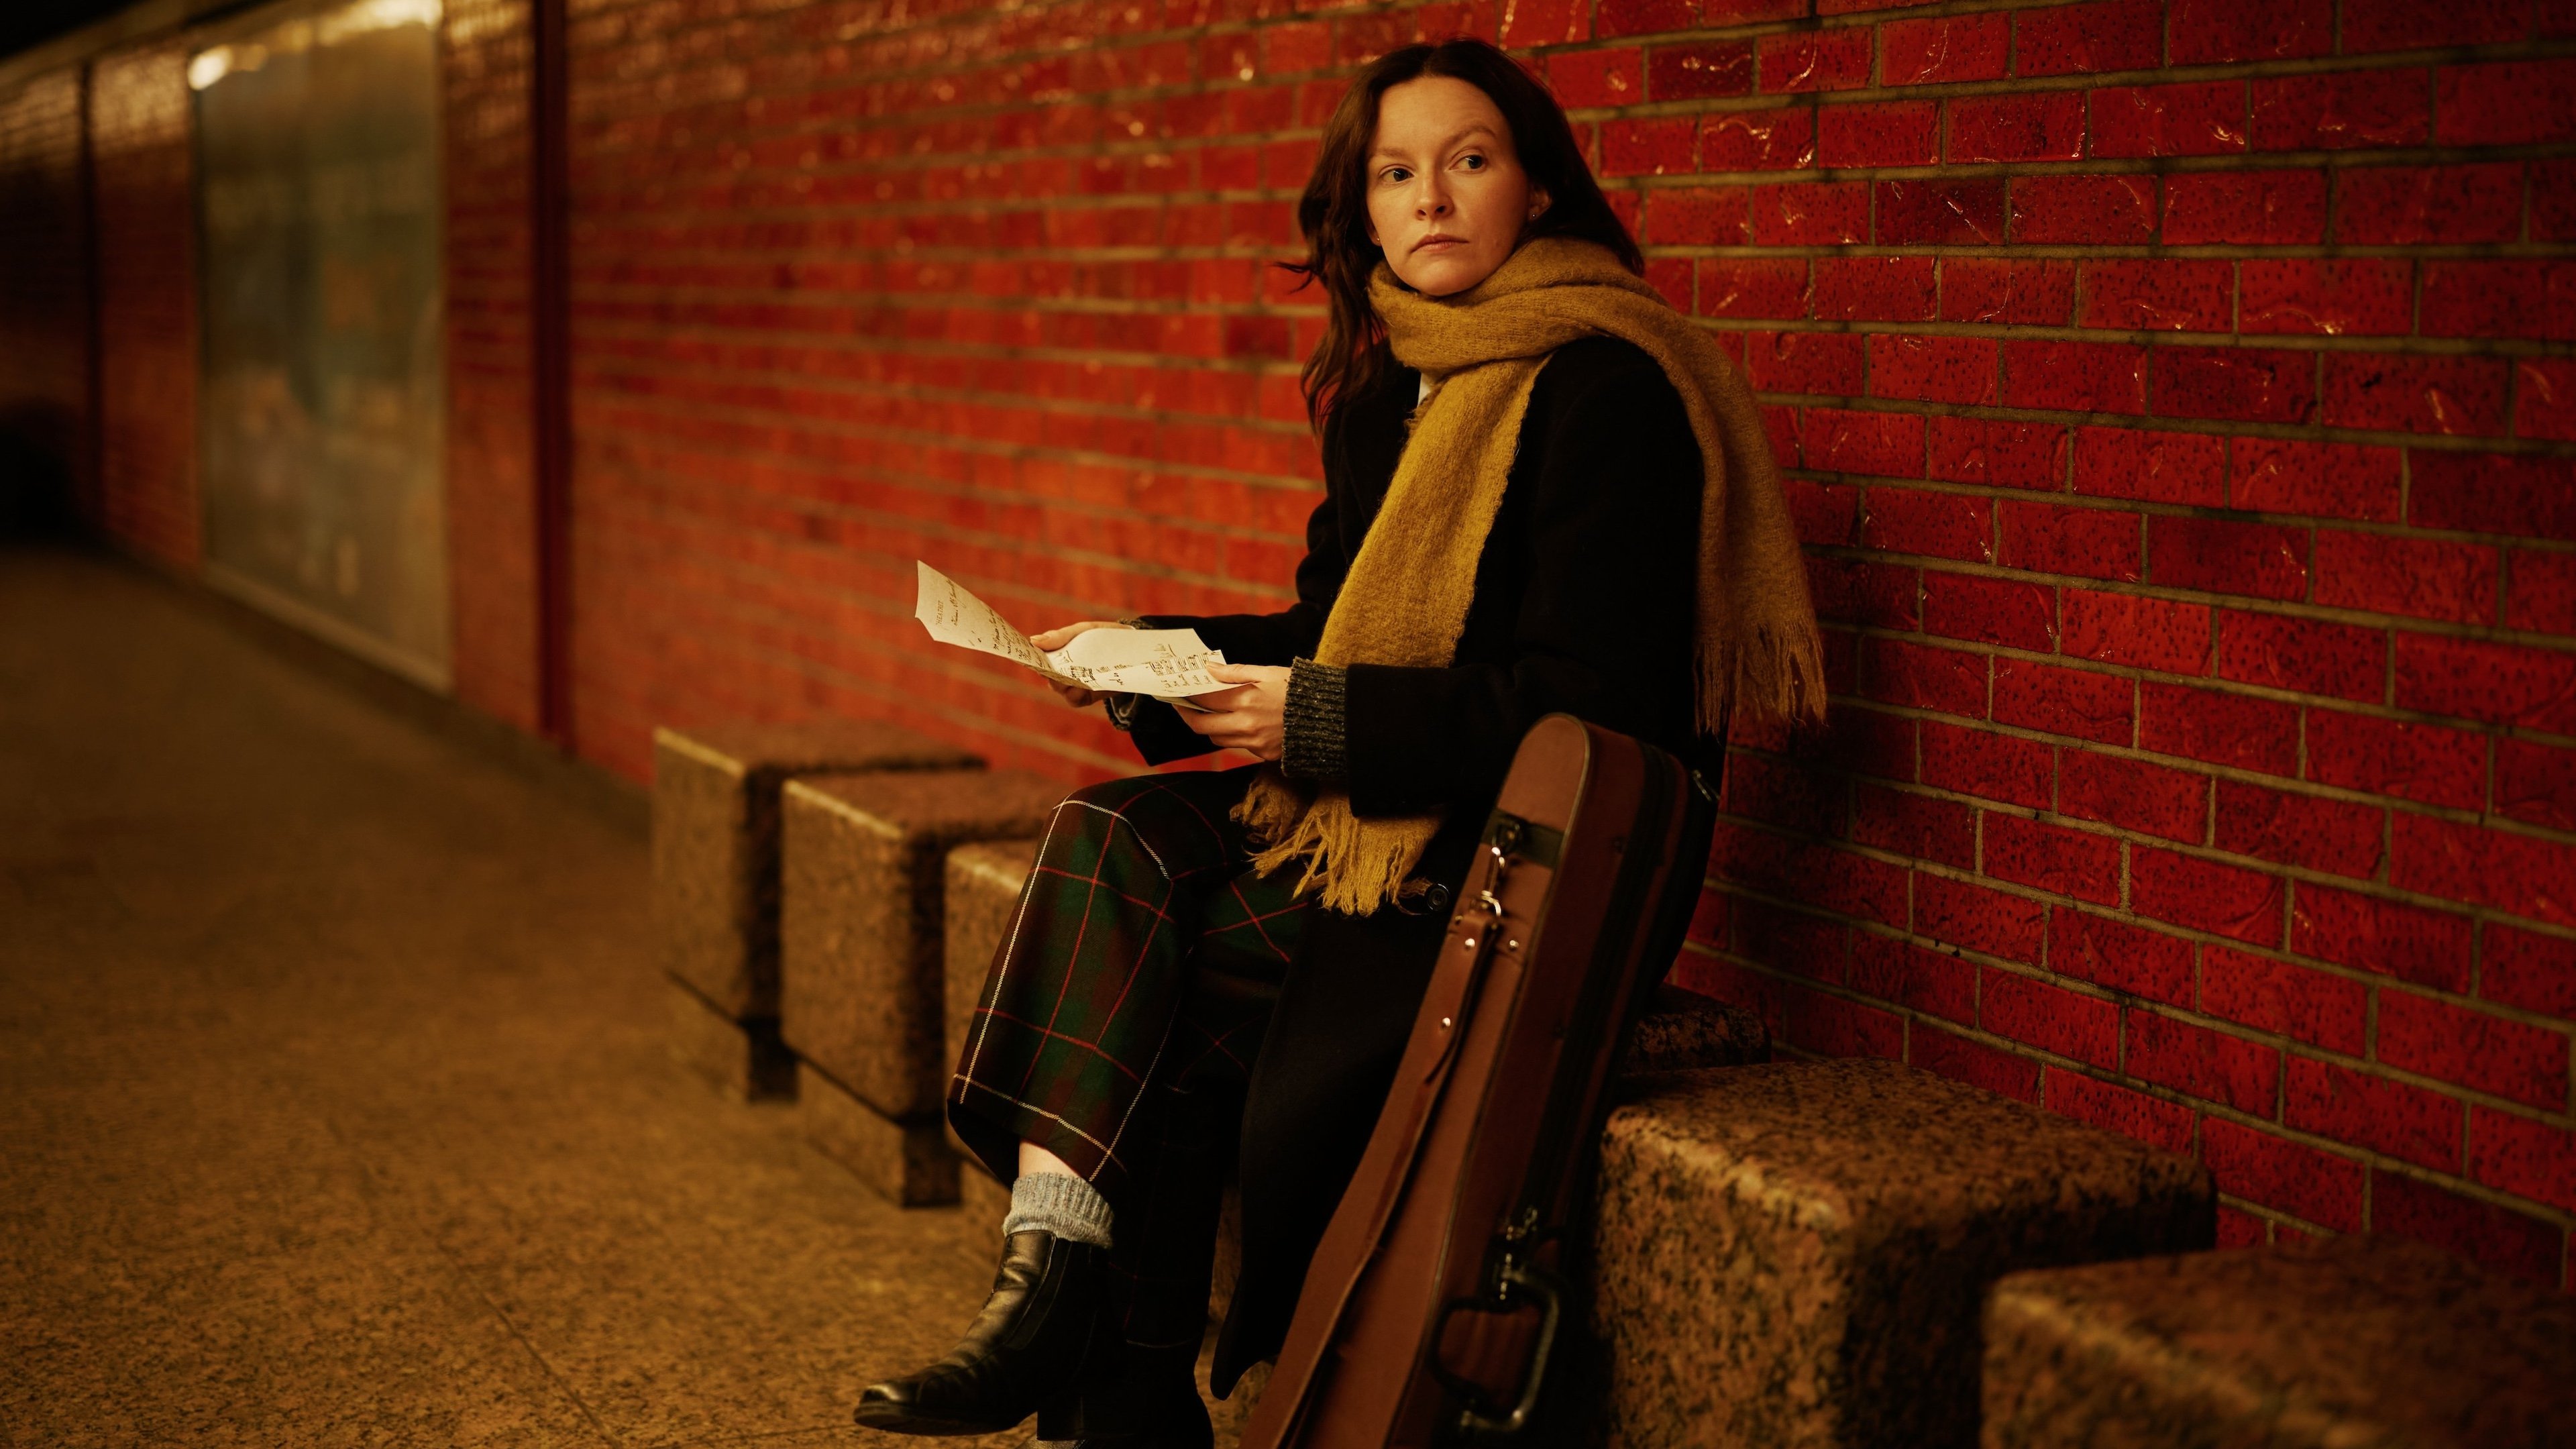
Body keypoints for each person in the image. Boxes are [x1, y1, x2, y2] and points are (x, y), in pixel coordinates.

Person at [852, 36, 1823, 1448]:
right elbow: (1328, 626)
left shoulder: (1611, 391)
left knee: (1153, 976)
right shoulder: (1389, 394)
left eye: (1469, 160)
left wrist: (1313, 718)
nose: (1431, 197)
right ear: (1360, 209)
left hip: (1519, 865)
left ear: (1538, 187)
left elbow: (1590, 708)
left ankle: (1090, 1348)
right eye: (1394, 172)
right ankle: (1062, 1296)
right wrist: (1137, 655)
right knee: (1109, 831)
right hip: (1376, 819)